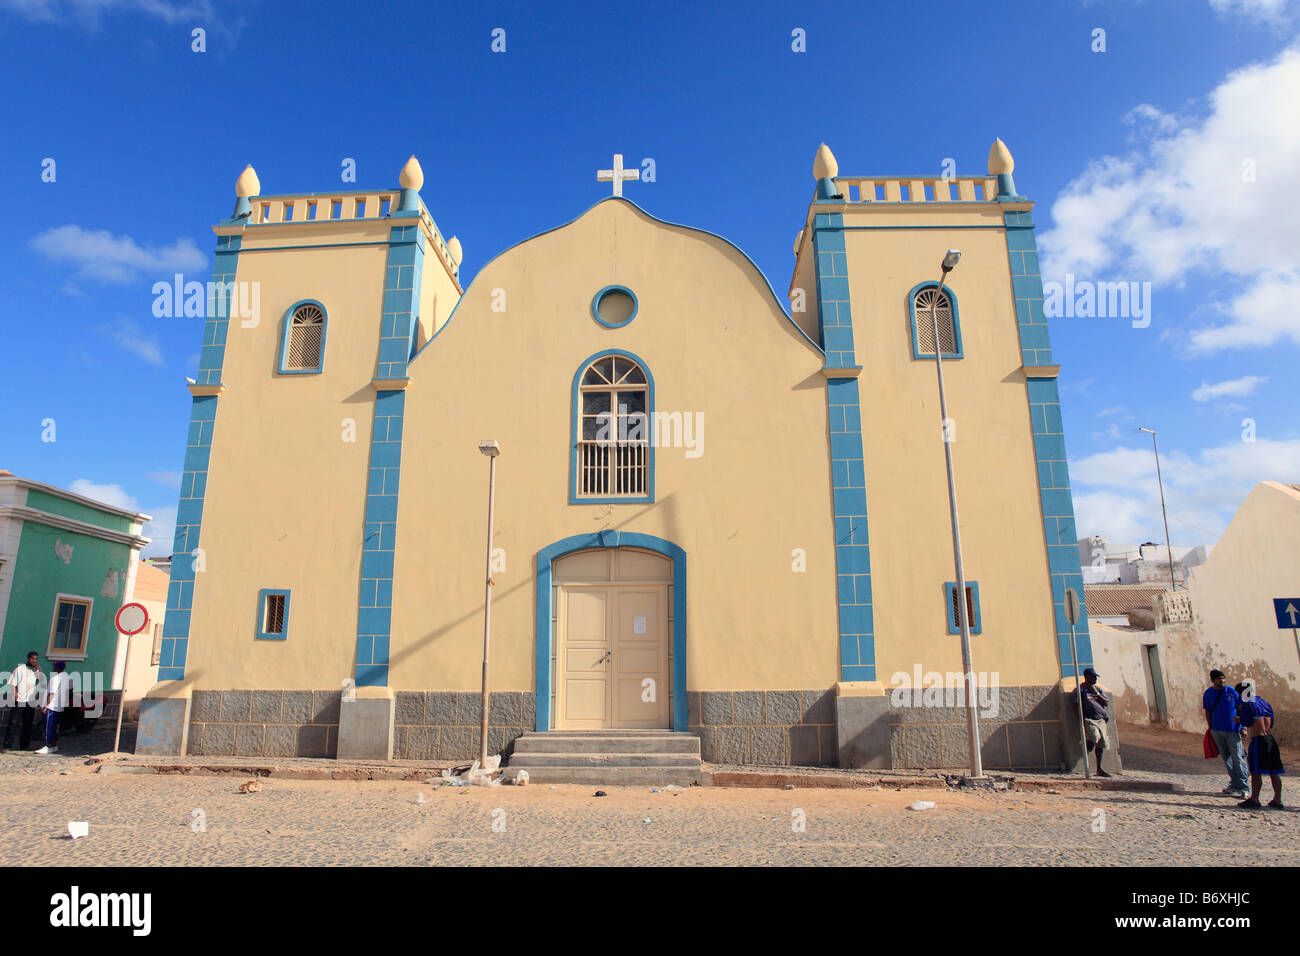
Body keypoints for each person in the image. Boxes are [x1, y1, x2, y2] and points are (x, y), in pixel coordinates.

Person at [1235, 683, 1284, 810]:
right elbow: (1270, 723)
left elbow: (1247, 722)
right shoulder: (1265, 703)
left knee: (1255, 772)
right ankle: (1277, 800)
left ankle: (1255, 799)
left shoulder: (1248, 704)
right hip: (1270, 739)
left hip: (1259, 741)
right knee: (1274, 772)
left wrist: (1239, 720)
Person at [1203, 669, 1248, 797]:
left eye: (1223, 678)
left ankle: (1244, 786)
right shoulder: (1208, 694)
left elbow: (1240, 709)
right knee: (1227, 759)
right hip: (1217, 730)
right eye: (1219, 679)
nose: (1222, 681)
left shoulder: (1231, 691)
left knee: (1238, 758)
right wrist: (1211, 727)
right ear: (1213, 680)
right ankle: (1234, 784)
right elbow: (1208, 711)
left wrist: (1243, 726)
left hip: (1233, 730)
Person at [2, 651, 42, 752]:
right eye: (32, 659)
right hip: (19, 699)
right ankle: (7, 745)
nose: (34, 661)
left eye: (36, 659)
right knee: (13, 723)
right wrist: (14, 694)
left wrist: (37, 671)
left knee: (28, 724)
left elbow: (41, 680)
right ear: (28, 658)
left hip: (30, 700)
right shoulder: (19, 669)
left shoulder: (36, 670)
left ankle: (24, 745)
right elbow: (12, 683)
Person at [1076, 667, 1112, 777]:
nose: (1095, 679)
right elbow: (1076, 704)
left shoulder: (1098, 689)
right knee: (1094, 737)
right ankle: (1089, 744)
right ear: (1087, 677)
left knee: (1102, 743)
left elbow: (1106, 702)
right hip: (1089, 718)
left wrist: (1096, 692)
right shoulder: (1081, 690)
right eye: (1093, 677)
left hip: (1101, 718)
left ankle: (1099, 768)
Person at [35, 661, 70, 755]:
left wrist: (46, 706)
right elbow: (70, 688)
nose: (53, 667)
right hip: (60, 706)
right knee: (55, 727)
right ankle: (54, 745)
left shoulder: (56, 678)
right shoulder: (67, 677)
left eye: (54, 666)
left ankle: (48, 746)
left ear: (57, 668)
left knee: (48, 727)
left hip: (52, 706)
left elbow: (52, 693)